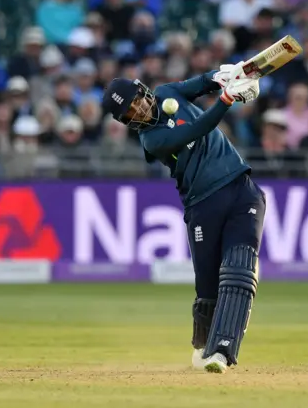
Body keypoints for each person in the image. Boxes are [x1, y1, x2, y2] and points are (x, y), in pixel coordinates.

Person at [102, 63, 266, 373]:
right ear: (126, 121)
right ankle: (203, 345)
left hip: (243, 189)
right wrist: (227, 99)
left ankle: (221, 351)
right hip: (203, 203)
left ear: (143, 90)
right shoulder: (151, 141)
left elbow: (199, 83)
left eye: (138, 100)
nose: (140, 109)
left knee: (239, 270)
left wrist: (222, 77)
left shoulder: (167, 92)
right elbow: (197, 128)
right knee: (207, 288)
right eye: (131, 112)